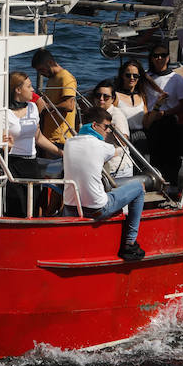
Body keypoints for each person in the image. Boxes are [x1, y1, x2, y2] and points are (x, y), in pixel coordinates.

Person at [61, 107, 146, 262]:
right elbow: (117, 151)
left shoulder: (68, 143)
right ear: (94, 126)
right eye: (106, 127)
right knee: (139, 187)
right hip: (97, 209)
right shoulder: (103, 147)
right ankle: (130, 244)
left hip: (70, 208)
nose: (107, 131)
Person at [1, 70, 62, 218]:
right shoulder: (4, 112)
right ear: (18, 89)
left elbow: (38, 137)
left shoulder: (32, 108)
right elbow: (0, 141)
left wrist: (60, 153)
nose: (33, 89)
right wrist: (6, 145)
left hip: (31, 164)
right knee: (17, 207)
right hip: (13, 164)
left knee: (33, 207)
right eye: (29, 86)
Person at [145, 43, 183, 184]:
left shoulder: (176, 79)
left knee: (170, 157)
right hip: (150, 121)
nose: (159, 58)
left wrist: (165, 113)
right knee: (152, 156)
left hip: (169, 121)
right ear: (151, 58)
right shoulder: (146, 78)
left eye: (163, 55)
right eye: (156, 55)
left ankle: (171, 185)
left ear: (168, 58)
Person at [111, 58, 158, 155]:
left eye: (135, 76)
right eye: (128, 75)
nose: (132, 78)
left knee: (143, 167)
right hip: (122, 136)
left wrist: (158, 106)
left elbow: (146, 124)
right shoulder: (115, 96)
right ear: (122, 76)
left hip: (140, 137)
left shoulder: (142, 96)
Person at [31, 49, 77, 148]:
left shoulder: (65, 77)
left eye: (42, 70)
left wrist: (46, 106)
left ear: (51, 63)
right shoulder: (52, 79)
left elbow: (69, 105)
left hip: (61, 138)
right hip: (49, 137)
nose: (41, 73)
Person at [90, 81, 134, 179]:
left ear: (113, 99)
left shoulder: (117, 115)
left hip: (118, 168)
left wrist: (110, 130)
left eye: (106, 97)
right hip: (101, 167)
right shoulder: (94, 115)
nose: (101, 99)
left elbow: (124, 141)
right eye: (98, 95)